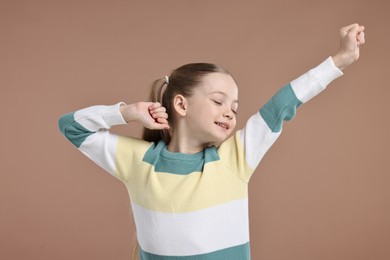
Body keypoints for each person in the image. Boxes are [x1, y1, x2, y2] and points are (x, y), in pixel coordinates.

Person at [58, 24, 365, 260]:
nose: (229, 113)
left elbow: (280, 106)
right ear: (181, 105)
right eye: (219, 101)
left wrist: (340, 59)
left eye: (234, 107)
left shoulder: (234, 159)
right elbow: (71, 126)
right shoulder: (139, 162)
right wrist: (127, 112)